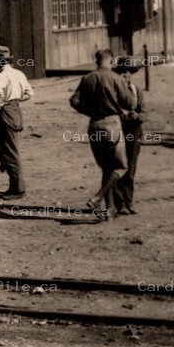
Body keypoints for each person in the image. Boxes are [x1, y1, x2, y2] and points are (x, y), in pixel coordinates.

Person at [69, 49, 130, 220]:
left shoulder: (87, 78)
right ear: (110, 60)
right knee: (120, 167)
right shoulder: (116, 78)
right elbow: (129, 102)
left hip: (94, 125)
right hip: (112, 124)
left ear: (96, 60)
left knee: (106, 168)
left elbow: (74, 101)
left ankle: (109, 210)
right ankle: (98, 197)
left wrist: (88, 111)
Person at [0, 45, 33, 197]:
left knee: (10, 150)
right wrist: (16, 99)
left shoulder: (1, 76)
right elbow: (29, 93)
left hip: (5, 112)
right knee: (5, 148)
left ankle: (18, 188)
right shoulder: (18, 73)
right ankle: (14, 185)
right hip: (15, 110)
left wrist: (0, 102)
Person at [113, 56, 145, 215]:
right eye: (123, 71)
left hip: (134, 130)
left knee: (131, 167)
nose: (126, 74)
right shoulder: (113, 90)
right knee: (119, 165)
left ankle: (129, 201)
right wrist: (124, 114)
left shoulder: (136, 90)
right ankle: (120, 203)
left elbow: (143, 111)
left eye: (129, 71)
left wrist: (137, 116)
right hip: (118, 129)